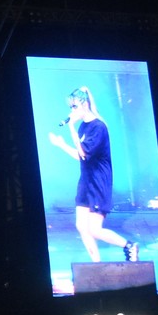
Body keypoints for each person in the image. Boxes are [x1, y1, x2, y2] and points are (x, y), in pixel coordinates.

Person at [46, 84, 140, 264]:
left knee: (95, 229)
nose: (72, 111)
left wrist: (71, 127)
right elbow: (79, 156)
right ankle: (96, 265)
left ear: (85, 104)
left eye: (74, 106)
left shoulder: (99, 127)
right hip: (86, 181)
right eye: (70, 107)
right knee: (81, 226)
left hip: (98, 183)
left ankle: (129, 245)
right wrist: (60, 145)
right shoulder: (84, 127)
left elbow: (83, 152)